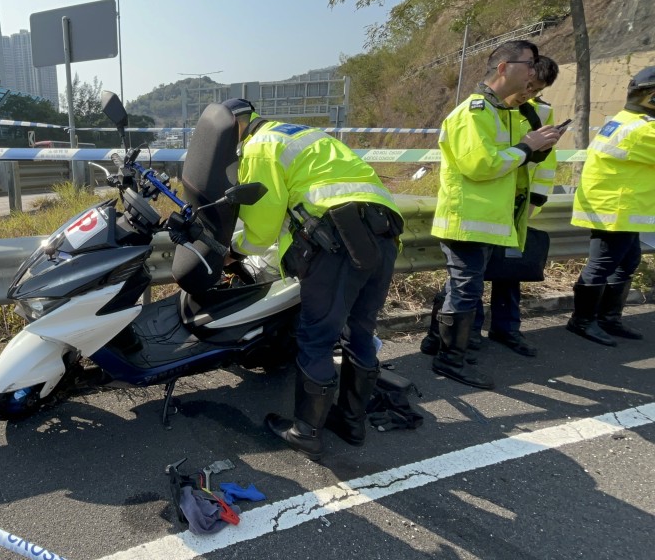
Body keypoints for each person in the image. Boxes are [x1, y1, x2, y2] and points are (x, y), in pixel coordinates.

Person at [222, 98, 404, 461]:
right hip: (384, 233)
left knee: (317, 337)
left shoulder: (259, 147)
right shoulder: (305, 135)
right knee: (360, 331)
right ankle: (352, 422)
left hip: (336, 241)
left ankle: (305, 432)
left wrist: (232, 251)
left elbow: (260, 230)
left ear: (233, 126)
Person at [429, 40, 562, 390]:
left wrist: (532, 152)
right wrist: (526, 147)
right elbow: (481, 165)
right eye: (529, 65)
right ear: (504, 68)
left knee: (461, 286)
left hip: (485, 219)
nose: (533, 73)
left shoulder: (500, 111)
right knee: (465, 290)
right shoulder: (474, 112)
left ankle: (437, 344)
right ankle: (450, 359)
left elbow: (508, 165)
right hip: (468, 220)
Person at [565, 66, 655, 345]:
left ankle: (608, 318)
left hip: (622, 208)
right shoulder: (641, 130)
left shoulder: (625, 121)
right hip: (614, 209)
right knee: (602, 265)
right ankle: (582, 321)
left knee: (626, 262)